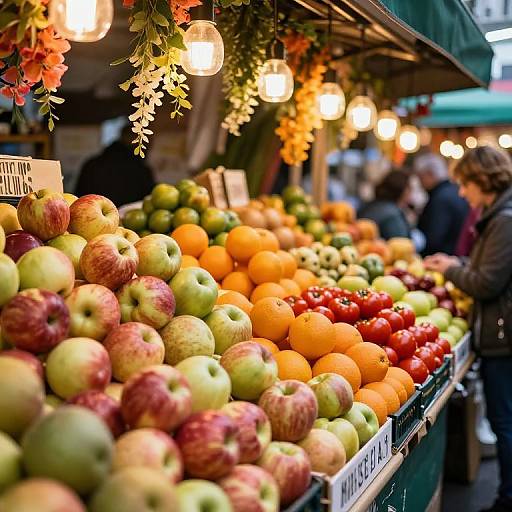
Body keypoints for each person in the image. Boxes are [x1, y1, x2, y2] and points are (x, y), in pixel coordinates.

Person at [424, 146, 512, 512]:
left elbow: (488, 282)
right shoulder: (498, 214)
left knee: (504, 421)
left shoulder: (504, 218)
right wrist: (458, 263)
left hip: (503, 338)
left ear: (483, 180)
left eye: (465, 184)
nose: (462, 193)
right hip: (497, 332)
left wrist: (449, 270)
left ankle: (508, 498)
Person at [75, 125, 155, 206]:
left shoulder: (92, 164)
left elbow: (77, 199)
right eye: (146, 140)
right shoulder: (140, 170)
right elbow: (147, 203)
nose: (149, 146)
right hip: (126, 217)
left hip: (89, 215)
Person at [414, 153, 469, 255]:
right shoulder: (452, 190)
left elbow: (434, 237)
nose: (420, 183)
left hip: (443, 258)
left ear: (429, 174)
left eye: (420, 177)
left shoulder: (441, 197)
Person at [358, 169, 411, 239]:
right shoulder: (392, 216)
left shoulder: (369, 205)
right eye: (410, 188)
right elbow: (401, 241)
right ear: (404, 190)